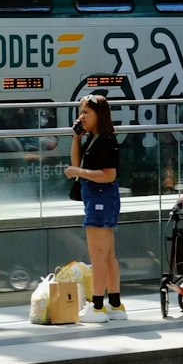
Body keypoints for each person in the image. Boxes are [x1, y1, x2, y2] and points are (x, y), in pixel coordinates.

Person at [65, 92, 123, 324]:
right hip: (100, 199)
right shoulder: (95, 138)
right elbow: (76, 163)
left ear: (99, 114)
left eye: (86, 113)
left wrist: (79, 173)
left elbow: (109, 175)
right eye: (81, 113)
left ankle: (98, 306)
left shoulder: (106, 141)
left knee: (97, 255)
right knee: (107, 255)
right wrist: (75, 138)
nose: (82, 117)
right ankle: (116, 304)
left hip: (100, 199)